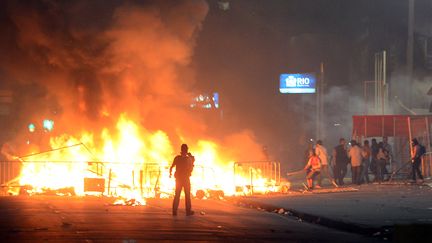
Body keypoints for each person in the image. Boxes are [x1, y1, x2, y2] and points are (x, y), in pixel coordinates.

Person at [170, 144, 195, 216]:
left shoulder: (177, 158)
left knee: (177, 195)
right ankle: (188, 211)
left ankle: (174, 211)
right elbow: (192, 163)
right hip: (185, 179)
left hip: (178, 179)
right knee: (187, 195)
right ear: (187, 149)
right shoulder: (188, 158)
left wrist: (170, 173)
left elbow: (172, 166)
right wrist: (190, 155)